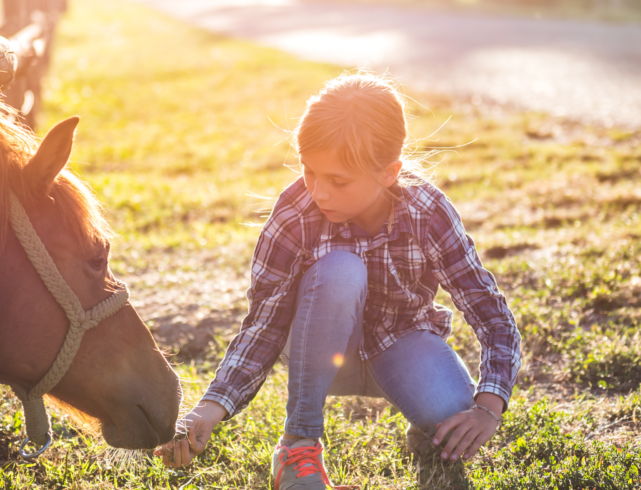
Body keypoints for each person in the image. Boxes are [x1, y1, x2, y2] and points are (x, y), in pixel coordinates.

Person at [158, 71, 522, 489]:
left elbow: (490, 312)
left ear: (389, 172)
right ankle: (298, 445)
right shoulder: (295, 213)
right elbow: (264, 324)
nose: (319, 192)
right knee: (341, 268)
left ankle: (426, 430)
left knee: (453, 411)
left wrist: (488, 405)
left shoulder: (427, 211)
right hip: (320, 354)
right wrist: (211, 407)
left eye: (338, 180)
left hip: (401, 343)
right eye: (310, 172)